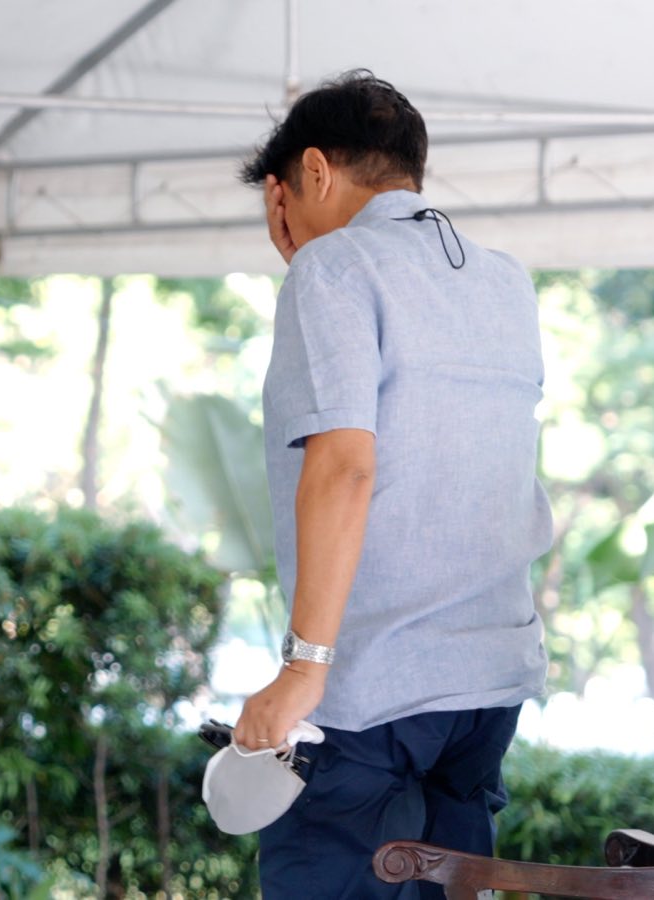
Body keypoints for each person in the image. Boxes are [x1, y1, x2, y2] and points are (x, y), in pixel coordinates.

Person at [229, 71, 553, 898]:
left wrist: (304, 667)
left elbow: (344, 464)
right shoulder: (503, 282)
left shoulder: (332, 269)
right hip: (487, 689)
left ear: (312, 171)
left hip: (369, 695)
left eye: (280, 200)